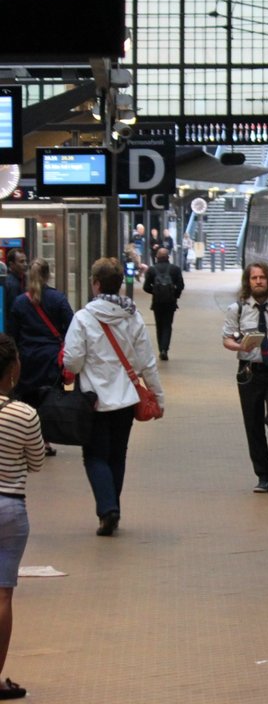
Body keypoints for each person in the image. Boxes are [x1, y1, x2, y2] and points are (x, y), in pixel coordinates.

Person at [63, 257, 165, 536]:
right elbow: (147, 363)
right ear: (119, 285)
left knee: (94, 456)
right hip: (127, 400)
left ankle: (108, 510)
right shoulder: (132, 316)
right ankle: (113, 508)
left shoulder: (83, 318)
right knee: (117, 455)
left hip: (93, 401)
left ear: (96, 284)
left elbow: (72, 362)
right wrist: (158, 397)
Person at [223, 263, 268, 494]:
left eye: (262, 277)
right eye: (254, 278)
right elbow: (226, 339)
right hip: (250, 371)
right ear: (248, 282)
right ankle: (263, 476)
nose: (258, 281)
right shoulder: (236, 309)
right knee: (253, 424)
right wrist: (239, 345)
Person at [0, 333, 46, 700]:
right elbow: (36, 463)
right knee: (2, 596)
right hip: (10, 508)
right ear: (13, 370)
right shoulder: (25, 413)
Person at [9, 258, 74, 456]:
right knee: (48, 401)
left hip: (27, 359)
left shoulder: (20, 302)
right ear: (48, 275)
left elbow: (13, 333)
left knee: (27, 400)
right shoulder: (58, 299)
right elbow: (72, 326)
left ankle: (25, 442)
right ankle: (44, 442)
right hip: (51, 359)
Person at [142, 247, 185, 361]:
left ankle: (161, 347)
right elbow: (181, 285)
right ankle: (164, 349)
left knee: (159, 325)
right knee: (167, 325)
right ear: (168, 257)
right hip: (170, 302)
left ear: (157, 258)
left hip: (157, 302)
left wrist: (155, 292)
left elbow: (146, 287)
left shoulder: (152, 270)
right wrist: (174, 295)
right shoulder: (175, 269)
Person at [2, 251, 27, 337]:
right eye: (21, 261)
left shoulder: (21, 281)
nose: (25, 264)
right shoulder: (12, 284)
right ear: (11, 264)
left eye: (25, 261)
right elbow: (14, 312)